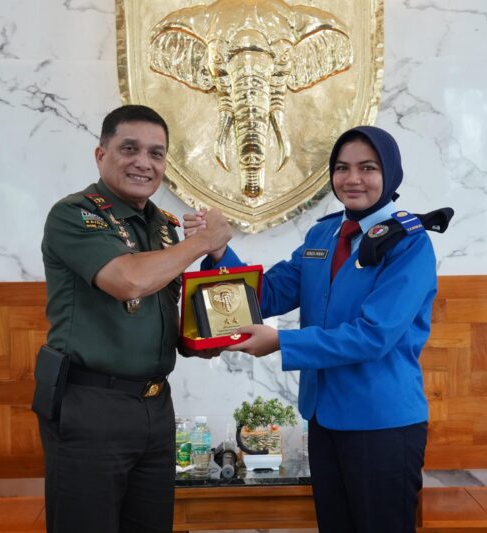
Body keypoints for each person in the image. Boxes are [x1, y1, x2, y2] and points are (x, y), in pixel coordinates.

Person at [184, 125, 437, 533]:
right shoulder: (324, 234)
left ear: (389, 173)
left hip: (382, 422)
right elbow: (266, 292)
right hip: (324, 419)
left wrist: (281, 342)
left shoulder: (409, 243)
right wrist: (217, 249)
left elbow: (375, 334)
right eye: (342, 168)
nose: (352, 179)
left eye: (367, 168)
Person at [37, 104, 231, 533]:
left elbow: (171, 315)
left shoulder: (163, 225)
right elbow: (127, 281)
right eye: (130, 148)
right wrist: (201, 243)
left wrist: (211, 327)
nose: (144, 162)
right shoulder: (75, 215)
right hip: (91, 405)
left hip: (154, 406)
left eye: (156, 153)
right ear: (100, 154)